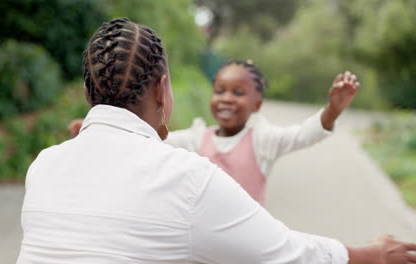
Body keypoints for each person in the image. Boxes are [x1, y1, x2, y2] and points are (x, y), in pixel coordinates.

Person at [18, 18, 416, 264]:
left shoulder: (43, 166)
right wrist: (370, 256)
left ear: (88, 95)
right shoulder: (187, 176)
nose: (227, 100)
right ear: (162, 90)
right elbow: (284, 253)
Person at [69, 60, 360, 206]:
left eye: (238, 93)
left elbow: (302, 134)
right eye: (219, 90)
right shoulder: (198, 137)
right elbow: (154, 139)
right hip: (204, 233)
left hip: (248, 241)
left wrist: (332, 110)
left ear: (257, 104)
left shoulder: (262, 140)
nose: (226, 98)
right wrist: (101, 131)